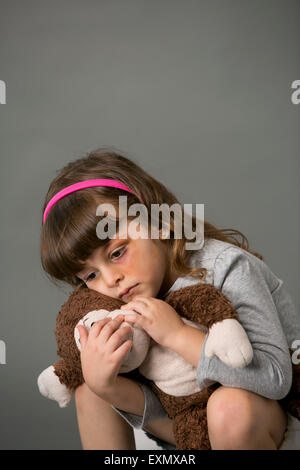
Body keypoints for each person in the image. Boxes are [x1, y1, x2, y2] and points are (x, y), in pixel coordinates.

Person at [40, 147, 300, 450]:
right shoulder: (113, 298)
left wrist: (177, 335)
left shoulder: (226, 266)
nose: (110, 280)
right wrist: (106, 385)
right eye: (90, 276)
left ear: (156, 219)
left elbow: (276, 379)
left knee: (228, 407)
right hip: (184, 423)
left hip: (260, 419)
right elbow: (161, 401)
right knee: (90, 387)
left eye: (118, 252)